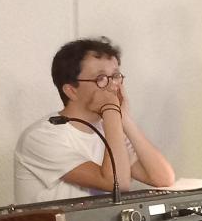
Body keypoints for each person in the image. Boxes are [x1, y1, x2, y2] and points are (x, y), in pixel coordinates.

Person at [13, 37, 175, 203]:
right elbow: (117, 183)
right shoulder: (41, 136)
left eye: (116, 76)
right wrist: (111, 110)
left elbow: (163, 178)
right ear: (71, 90)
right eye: (101, 78)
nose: (113, 85)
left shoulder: (109, 128)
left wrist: (124, 118)